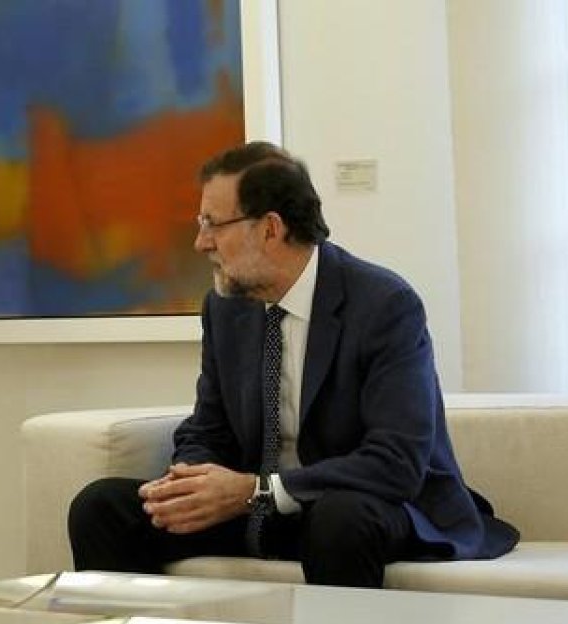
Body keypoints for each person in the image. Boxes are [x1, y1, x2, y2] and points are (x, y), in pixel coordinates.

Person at [68, 142, 517, 588]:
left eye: (213, 224)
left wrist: (255, 490)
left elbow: (395, 461)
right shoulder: (226, 308)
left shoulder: (383, 304)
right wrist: (192, 482)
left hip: (363, 506)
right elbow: (209, 428)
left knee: (340, 516)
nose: (201, 241)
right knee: (102, 507)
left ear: (270, 229)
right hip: (258, 509)